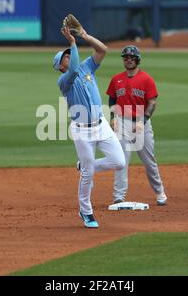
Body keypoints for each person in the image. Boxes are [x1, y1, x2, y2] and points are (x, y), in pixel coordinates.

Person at [53, 25, 125, 229]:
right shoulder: (63, 80)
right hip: (81, 130)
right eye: (65, 57)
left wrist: (85, 36)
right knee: (88, 174)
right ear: (60, 66)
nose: (68, 57)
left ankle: (86, 165)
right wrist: (73, 43)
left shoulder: (87, 67)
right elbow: (74, 68)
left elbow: (103, 50)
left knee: (119, 162)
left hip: (101, 125)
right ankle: (86, 212)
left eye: (68, 55)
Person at [106, 45, 167, 206]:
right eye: (125, 57)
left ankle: (160, 191)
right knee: (121, 160)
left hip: (141, 122)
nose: (128, 60)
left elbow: (152, 103)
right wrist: (112, 117)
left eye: (131, 57)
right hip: (121, 122)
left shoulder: (146, 79)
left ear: (137, 59)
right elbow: (112, 99)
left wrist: (143, 121)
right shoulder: (116, 79)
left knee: (149, 161)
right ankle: (119, 195)